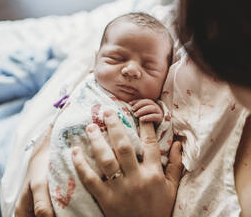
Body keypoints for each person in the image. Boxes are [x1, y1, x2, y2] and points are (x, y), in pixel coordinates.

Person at [15, 0, 251, 216]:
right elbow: (103, 63)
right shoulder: (222, 6)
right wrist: (46, 148)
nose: (209, 67)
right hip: (25, 132)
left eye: (232, 61)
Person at [46, 12, 174, 217]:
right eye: (117, 58)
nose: (132, 70)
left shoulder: (150, 109)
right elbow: (61, 111)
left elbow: (162, 147)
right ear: (96, 60)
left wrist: (160, 117)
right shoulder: (86, 86)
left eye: (149, 67)